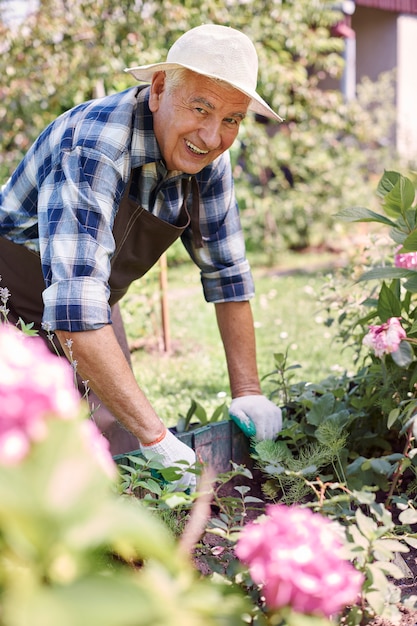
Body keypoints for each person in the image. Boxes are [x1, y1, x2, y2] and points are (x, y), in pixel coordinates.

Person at [0, 24, 283, 490]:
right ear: (157, 90)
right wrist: (159, 439)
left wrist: (248, 392)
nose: (212, 136)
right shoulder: (94, 146)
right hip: (11, 291)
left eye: (232, 119)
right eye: (200, 108)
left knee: (109, 422)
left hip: (92, 292)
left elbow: (227, 273)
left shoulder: (208, 157)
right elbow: (74, 312)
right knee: (29, 436)